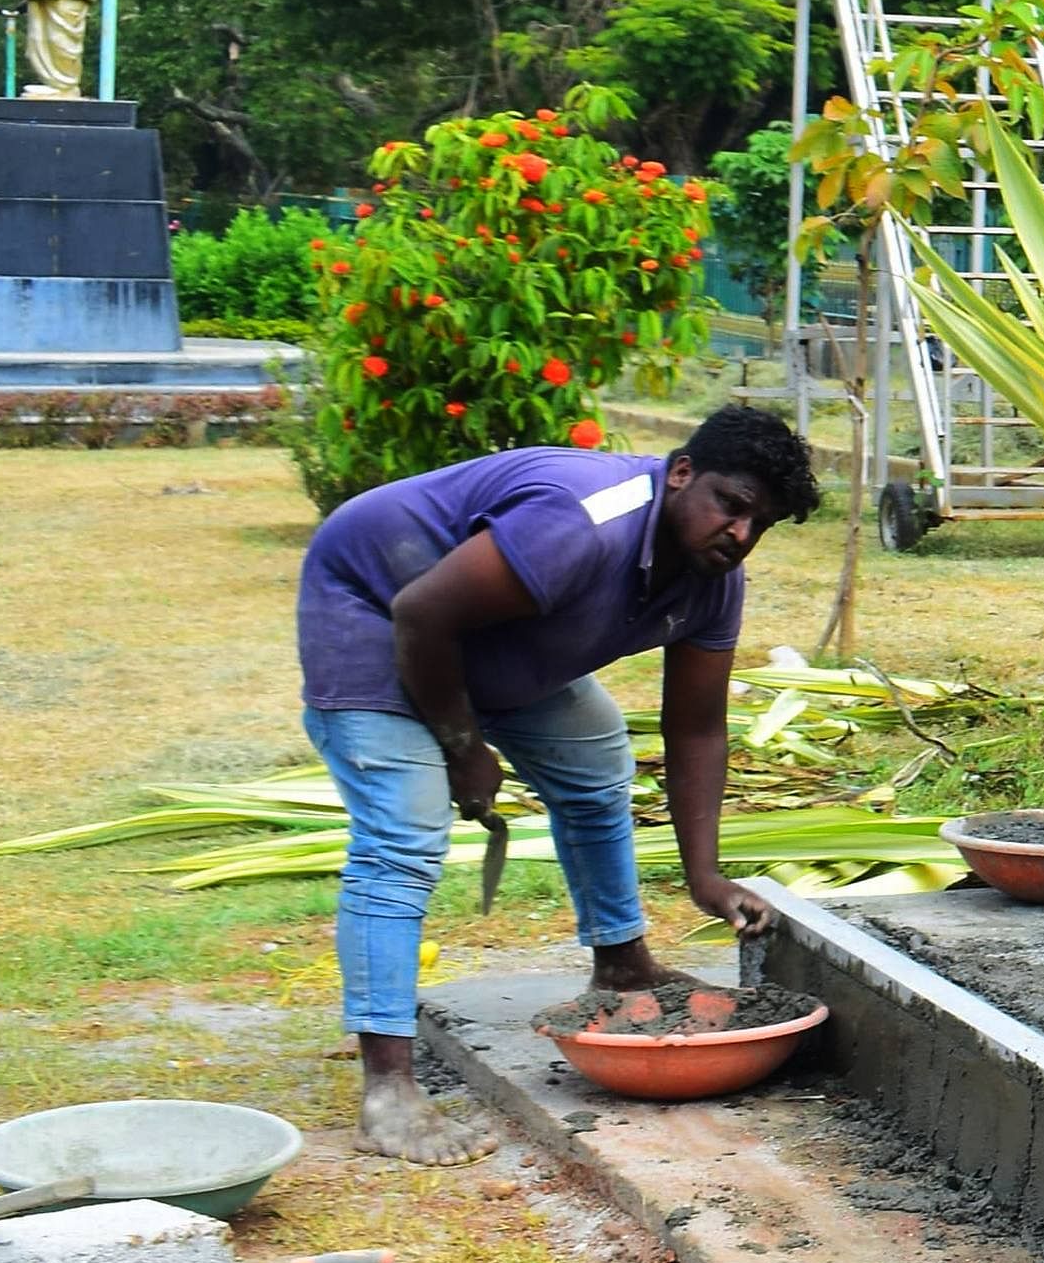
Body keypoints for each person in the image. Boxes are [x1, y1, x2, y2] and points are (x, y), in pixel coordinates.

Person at [295, 403, 822, 1162]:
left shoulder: (712, 580)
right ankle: (389, 1088)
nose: (740, 535)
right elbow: (422, 612)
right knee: (402, 838)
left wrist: (705, 877)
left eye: (759, 524)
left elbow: (696, 727)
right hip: (381, 607)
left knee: (596, 762)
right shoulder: (581, 522)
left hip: (486, 630)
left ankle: (621, 959)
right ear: (680, 475)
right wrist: (461, 745)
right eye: (730, 506)